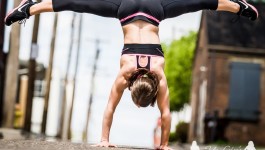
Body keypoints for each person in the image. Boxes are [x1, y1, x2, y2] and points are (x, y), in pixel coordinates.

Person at [5, 0, 258, 149]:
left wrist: (164, 145)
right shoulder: (125, 73)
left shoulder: (158, 72)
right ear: (131, 87)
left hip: (154, 9)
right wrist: (104, 140)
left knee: (198, 3)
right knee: (79, 3)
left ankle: (238, 6)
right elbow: (109, 109)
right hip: (125, 9)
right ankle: (31, 8)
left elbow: (166, 114)